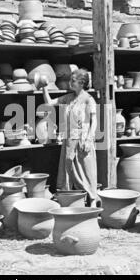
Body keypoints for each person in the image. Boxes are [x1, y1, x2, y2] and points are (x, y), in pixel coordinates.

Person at [40, 68, 99, 207]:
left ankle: (93, 201)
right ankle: (71, 203)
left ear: (82, 82)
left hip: (83, 140)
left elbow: (94, 121)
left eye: (73, 80)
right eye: (70, 80)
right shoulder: (68, 98)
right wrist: (44, 87)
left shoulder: (88, 99)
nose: (70, 83)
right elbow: (49, 103)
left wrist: (89, 139)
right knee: (68, 172)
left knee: (87, 172)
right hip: (69, 141)